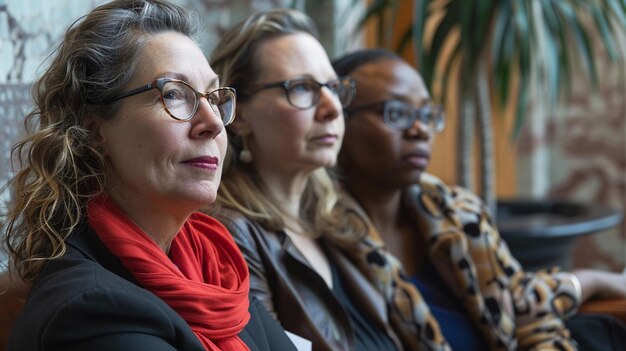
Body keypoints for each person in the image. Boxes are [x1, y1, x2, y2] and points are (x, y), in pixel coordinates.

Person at [1, 1, 296, 350]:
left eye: (214, 98)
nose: (214, 123)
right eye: (173, 94)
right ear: (94, 129)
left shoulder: (216, 268)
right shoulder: (91, 312)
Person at [331, 48, 626, 350]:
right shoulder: (322, 245)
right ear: (335, 119)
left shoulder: (458, 214)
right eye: (397, 113)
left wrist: (594, 280)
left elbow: (523, 305)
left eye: (426, 114)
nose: (420, 130)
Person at [208, 8, 403, 351]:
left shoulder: (335, 215)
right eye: (301, 88)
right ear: (237, 115)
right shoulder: (228, 235)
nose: (331, 108)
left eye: (332, 87)